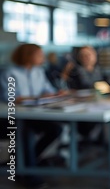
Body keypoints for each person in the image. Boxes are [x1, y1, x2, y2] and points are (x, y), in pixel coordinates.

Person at [0, 44, 64, 187]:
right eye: (39, 55)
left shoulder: (39, 72)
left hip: (33, 114)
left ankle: (26, 162)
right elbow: (10, 97)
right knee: (25, 130)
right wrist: (33, 97)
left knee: (55, 129)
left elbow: (48, 90)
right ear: (28, 55)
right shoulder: (10, 73)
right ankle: (29, 174)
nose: (43, 58)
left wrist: (55, 94)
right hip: (11, 117)